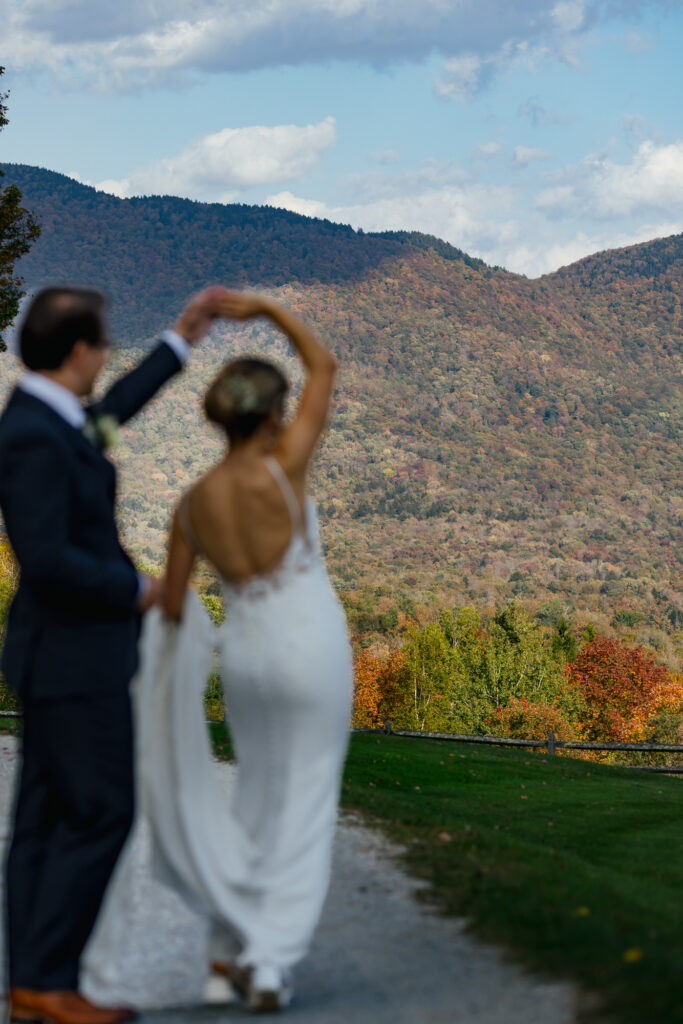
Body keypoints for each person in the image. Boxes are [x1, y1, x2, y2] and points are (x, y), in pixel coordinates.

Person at [91, 291, 351, 1013]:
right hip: (308, 644)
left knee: (260, 793)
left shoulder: (192, 504)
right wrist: (266, 310)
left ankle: (224, 950)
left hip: (244, 654)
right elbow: (323, 365)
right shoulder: (283, 468)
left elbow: (173, 606)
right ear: (271, 417)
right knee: (304, 799)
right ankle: (267, 961)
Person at [0, 284, 230, 1024]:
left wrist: (181, 340)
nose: (106, 358)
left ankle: (34, 980)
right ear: (78, 352)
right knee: (101, 810)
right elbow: (45, 558)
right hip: (72, 655)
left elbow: (111, 412)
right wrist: (137, 589)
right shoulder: (33, 433)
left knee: (42, 817)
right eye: (102, 345)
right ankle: (51, 980)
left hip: (59, 653)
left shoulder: (56, 417)